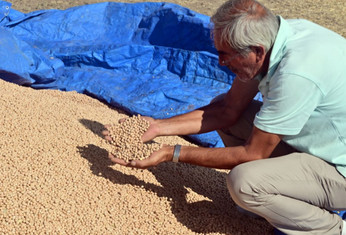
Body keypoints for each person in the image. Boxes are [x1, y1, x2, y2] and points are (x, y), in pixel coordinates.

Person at [103, 0, 346, 234]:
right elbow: (228, 110)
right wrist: (157, 126)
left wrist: (171, 153)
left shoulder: (296, 74)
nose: (220, 62)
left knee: (244, 182)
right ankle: (279, 199)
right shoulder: (275, 37)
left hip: (339, 168)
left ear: (257, 52)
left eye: (225, 55)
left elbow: (253, 153)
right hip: (326, 143)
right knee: (224, 107)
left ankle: (331, 229)